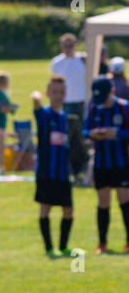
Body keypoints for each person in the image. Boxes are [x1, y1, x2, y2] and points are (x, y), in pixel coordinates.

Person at [82, 76, 129, 253]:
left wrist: (115, 132)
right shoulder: (94, 107)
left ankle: (128, 241)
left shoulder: (124, 107)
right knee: (103, 201)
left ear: (112, 91)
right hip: (101, 162)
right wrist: (93, 133)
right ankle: (102, 243)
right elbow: (85, 130)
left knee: (124, 200)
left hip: (121, 162)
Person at [30, 77, 75, 257]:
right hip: (46, 172)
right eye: (55, 92)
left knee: (68, 210)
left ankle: (63, 246)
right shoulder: (44, 114)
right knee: (45, 208)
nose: (58, 96)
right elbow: (36, 103)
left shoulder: (65, 117)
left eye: (62, 92)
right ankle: (49, 248)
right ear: (48, 93)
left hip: (63, 173)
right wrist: (36, 97)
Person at [51, 34, 89, 185]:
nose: (68, 49)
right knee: (65, 138)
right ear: (61, 47)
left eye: (71, 45)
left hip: (80, 102)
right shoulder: (56, 62)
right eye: (65, 46)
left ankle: (80, 168)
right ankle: (67, 169)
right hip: (64, 104)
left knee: (79, 138)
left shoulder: (82, 60)